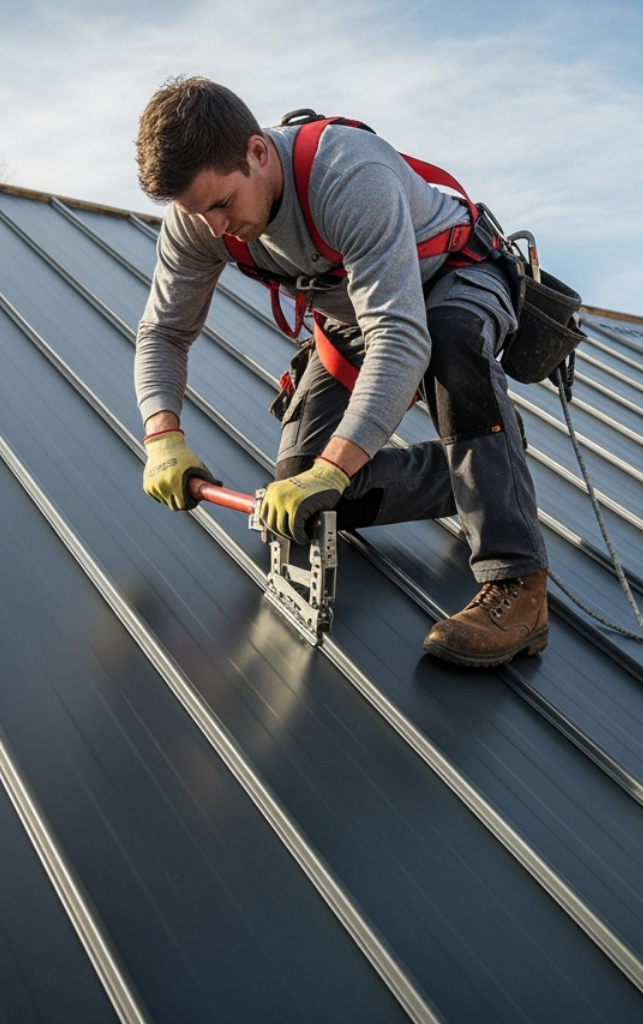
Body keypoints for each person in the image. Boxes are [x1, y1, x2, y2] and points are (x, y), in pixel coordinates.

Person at [133, 76, 547, 667]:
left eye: (223, 204)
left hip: (451, 277)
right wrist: (161, 434)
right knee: (304, 496)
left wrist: (338, 462)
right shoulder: (200, 219)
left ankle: (518, 585)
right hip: (357, 312)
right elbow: (164, 332)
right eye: (199, 213)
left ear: (257, 151)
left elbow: (402, 335)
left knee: (451, 343)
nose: (216, 229)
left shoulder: (348, 175)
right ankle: (482, 466)